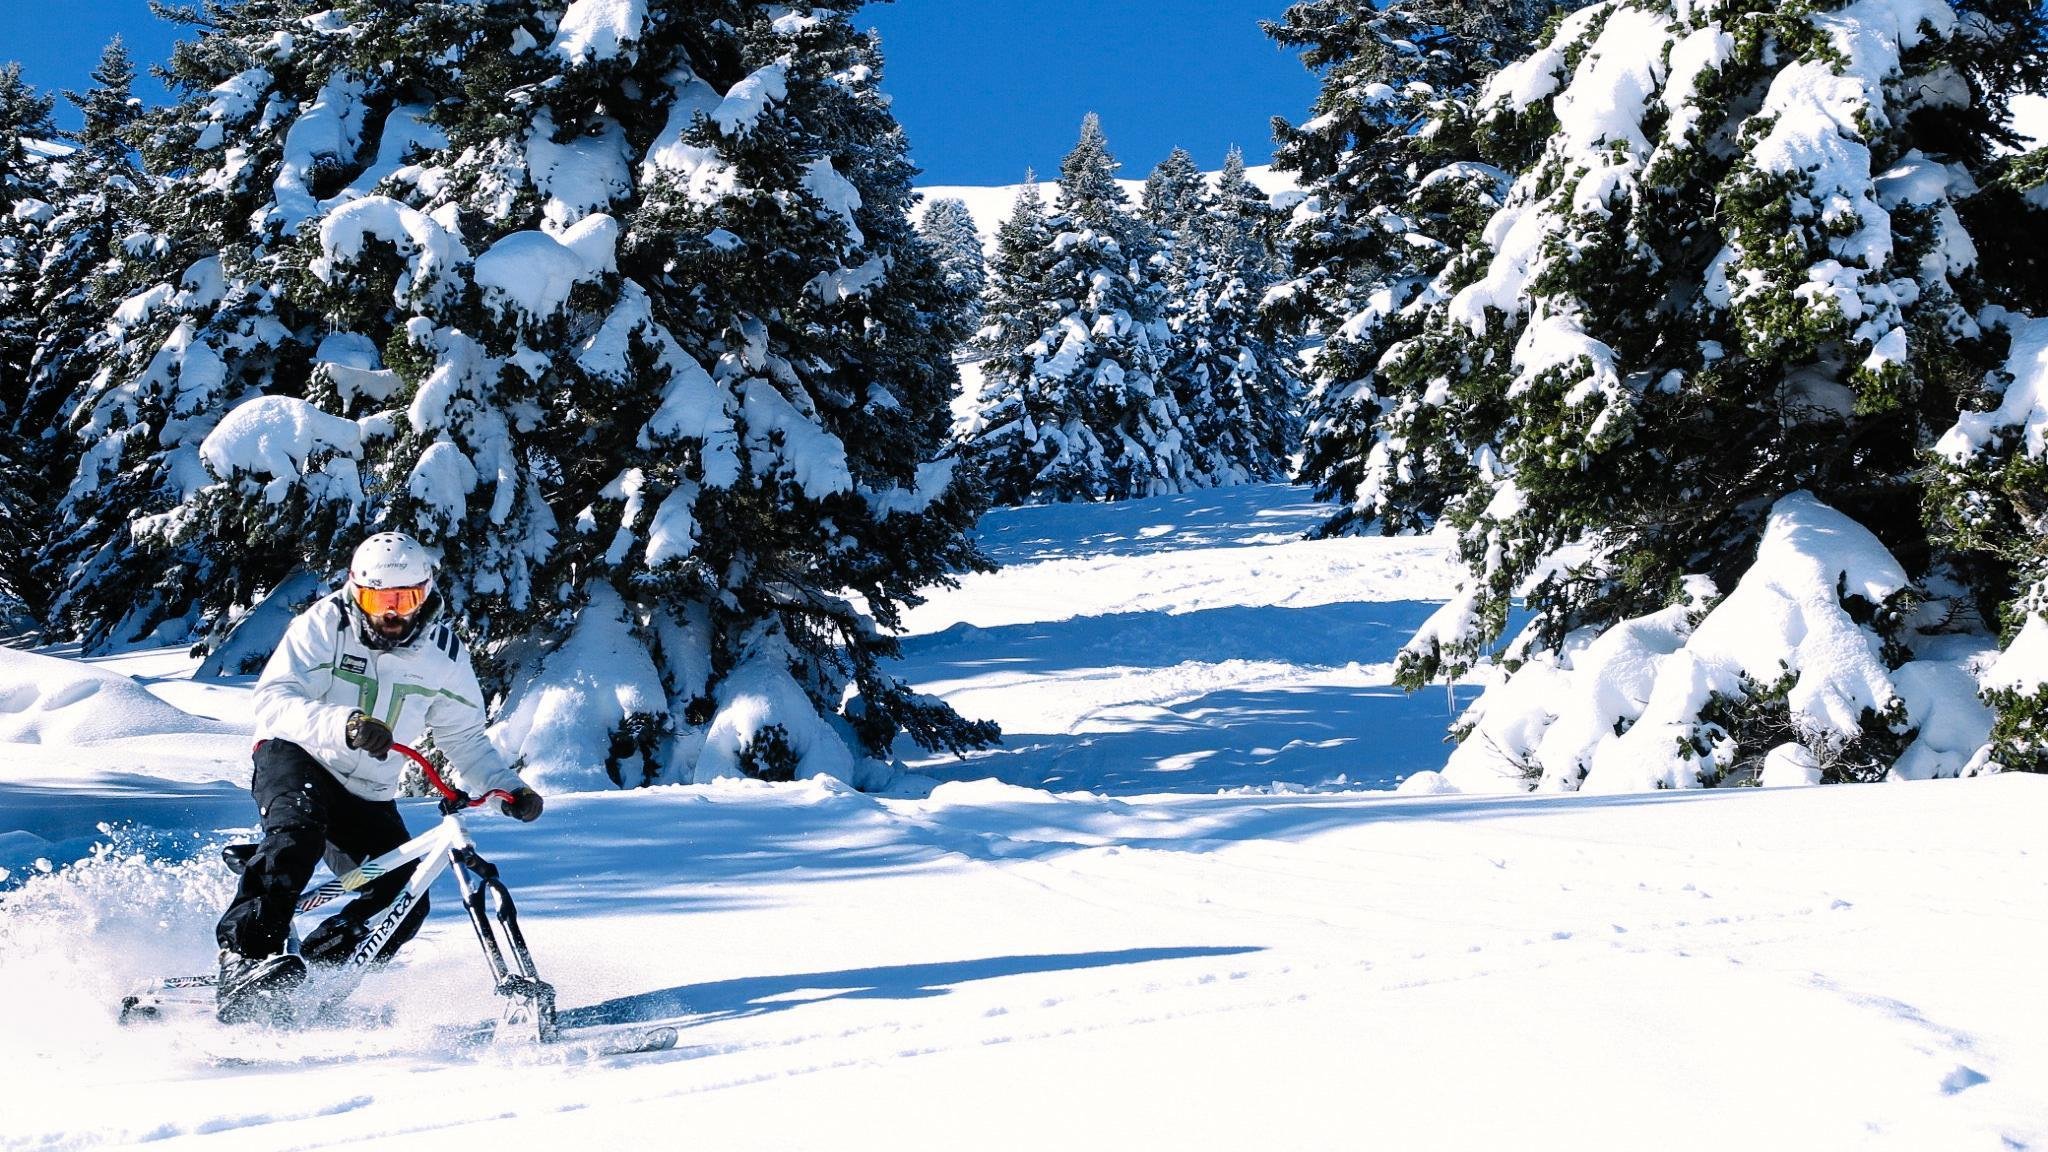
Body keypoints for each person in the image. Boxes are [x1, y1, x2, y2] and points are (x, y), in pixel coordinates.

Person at [213, 531, 543, 1022]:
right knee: (297, 832)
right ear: (355, 592)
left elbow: (465, 739)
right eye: (378, 598)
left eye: (406, 598)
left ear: (427, 594)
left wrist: (508, 791)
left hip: (367, 788)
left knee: (404, 898)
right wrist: (342, 725)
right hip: (298, 754)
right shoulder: (324, 625)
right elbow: (274, 700)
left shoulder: (444, 656)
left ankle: (311, 985)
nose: (393, 612)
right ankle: (245, 960)